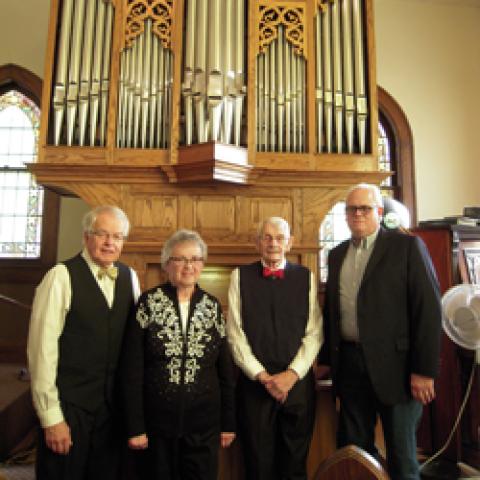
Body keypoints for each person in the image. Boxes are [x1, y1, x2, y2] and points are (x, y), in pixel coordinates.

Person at [319, 183, 442, 480]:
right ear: (345, 215)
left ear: (378, 211)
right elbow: (331, 313)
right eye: (352, 209)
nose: (357, 214)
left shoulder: (406, 247)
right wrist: (325, 360)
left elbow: (428, 309)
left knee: (401, 457)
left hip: (397, 371)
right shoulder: (336, 255)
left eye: (364, 208)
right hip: (350, 367)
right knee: (354, 454)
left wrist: (424, 370)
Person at [27, 205, 140, 480]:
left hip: (111, 415)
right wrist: (51, 416)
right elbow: (41, 351)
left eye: (117, 236)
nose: (110, 243)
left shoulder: (130, 277)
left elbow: (134, 347)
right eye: (102, 234)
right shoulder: (60, 277)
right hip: (69, 408)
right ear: (86, 236)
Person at [121, 229, 235, 480]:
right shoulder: (148, 304)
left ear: (202, 264)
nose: (188, 266)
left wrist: (228, 422)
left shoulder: (212, 305)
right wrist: (135, 426)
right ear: (166, 265)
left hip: (203, 425)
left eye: (195, 259)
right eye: (180, 259)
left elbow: (224, 368)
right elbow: (132, 368)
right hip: (156, 425)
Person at [226, 217, 322, 480]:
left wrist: (292, 375)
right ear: (258, 243)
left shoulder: (306, 278)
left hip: (297, 384)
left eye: (279, 238)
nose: (273, 243)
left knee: (295, 465)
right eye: (267, 237)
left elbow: (314, 333)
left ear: (290, 243)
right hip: (256, 385)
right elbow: (234, 333)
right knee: (257, 466)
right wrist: (262, 376)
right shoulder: (239, 276)